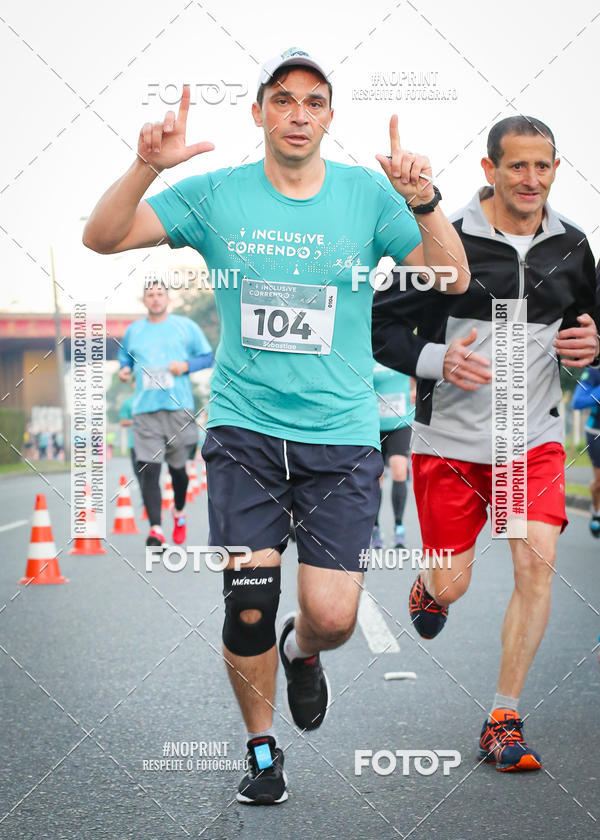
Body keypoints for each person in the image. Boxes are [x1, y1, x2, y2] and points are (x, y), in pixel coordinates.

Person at [83, 46, 468, 804]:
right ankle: (262, 748)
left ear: (330, 117)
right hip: (245, 432)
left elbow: (451, 277)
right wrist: (145, 167)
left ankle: (302, 650)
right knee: (249, 600)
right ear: (258, 111)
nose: (298, 113)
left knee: (334, 616)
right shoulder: (217, 193)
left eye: (313, 101)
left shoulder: (366, 195)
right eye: (282, 99)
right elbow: (103, 236)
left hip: (342, 436)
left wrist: (424, 202)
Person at [372, 115, 600, 773]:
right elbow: (380, 330)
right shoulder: (445, 241)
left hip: (531, 441)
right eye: (517, 165)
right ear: (489, 169)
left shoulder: (572, 246)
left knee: (537, 563)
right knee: (453, 583)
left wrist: (594, 343)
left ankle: (504, 718)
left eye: (543, 166)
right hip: (450, 443)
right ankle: (429, 588)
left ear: (555, 170)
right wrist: (437, 359)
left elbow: (591, 323)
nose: (531, 179)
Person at [116, 281, 213, 547]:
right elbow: (125, 359)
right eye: (150, 295)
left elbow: (207, 357)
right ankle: (156, 530)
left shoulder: (185, 327)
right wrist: (124, 370)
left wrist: (186, 365)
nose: (155, 299)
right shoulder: (134, 330)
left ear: (168, 299)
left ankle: (179, 512)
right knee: (149, 470)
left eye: (160, 294)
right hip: (145, 410)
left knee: (178, 471)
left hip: (178, 408)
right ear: (144, 300)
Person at [371, 362, 415, 549]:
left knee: (399, 471)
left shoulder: (400, 353)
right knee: (377, 476)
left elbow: (420, 371)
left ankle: (399, 526)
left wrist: (416, 388)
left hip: (401, 423)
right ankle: (375, 526)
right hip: (375, 425)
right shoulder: (370, 354)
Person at [572, 365, 600, 536]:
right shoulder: (593, 372)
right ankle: (596, 511)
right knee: (599, 482)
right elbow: (577, 402)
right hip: (596, 432)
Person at [119, 385, 143, 493]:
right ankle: (145, 496)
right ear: (133, 384)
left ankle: (148, 497)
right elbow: (123, 421)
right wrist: (137, 421)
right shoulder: (128, 403)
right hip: (134, 443)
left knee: (151, 472)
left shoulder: (152, 400)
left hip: (151, 444)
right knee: (138, 472)